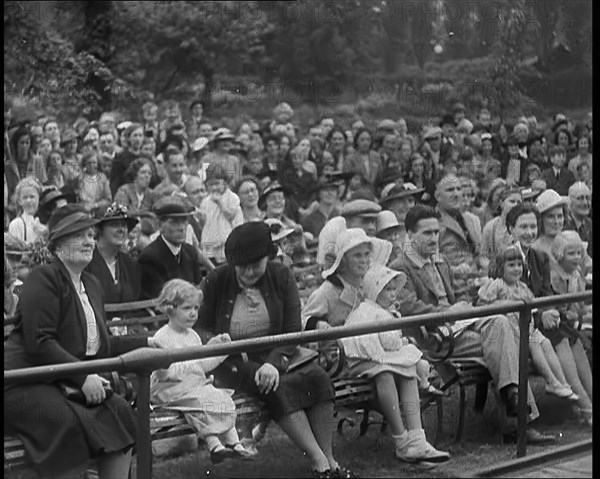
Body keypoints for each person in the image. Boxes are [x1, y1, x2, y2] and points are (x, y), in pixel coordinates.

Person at [4, 204, 161, 478]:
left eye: (91, 235)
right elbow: (40, 342)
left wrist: (150, 341)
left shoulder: (91, 283)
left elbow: (100, 346)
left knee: (120, 410)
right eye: (81, 235)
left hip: (64, 380)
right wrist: (83, 377)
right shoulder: (44, 277)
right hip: (26, 379)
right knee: (63, 421)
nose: (89, 241)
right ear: (59, 243)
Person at [197, 222, 356, 478]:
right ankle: (318, 463)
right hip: (232, 358)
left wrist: (274, 360)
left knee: (318, 378)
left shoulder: (281, 275)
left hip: (278, 351)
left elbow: (293, 327)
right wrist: (218, 343)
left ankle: (330, 458)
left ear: (268, 258)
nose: (248, 272)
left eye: (255, 265)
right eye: (242, 266)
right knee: (274, 385)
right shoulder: (217, 279)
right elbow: (198, 325)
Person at [392, 204, 554, 445]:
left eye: (436, 232)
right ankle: (518, 416)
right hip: (435, 337)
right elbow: (409, 308)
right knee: (506, 333)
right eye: (427, 233)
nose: (434, 238)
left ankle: (514, 403)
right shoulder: (400, 267)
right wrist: (447, 312)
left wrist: (468, 300)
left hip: (462, 325)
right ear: (409, 235)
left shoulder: (440, 260)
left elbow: (459, 293)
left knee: (502, 325)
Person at [506, 203, 593, 426]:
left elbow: (545, 293)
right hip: (517, 320)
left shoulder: (539, 258)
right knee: (560, 333)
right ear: (511, 229)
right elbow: (507, 295)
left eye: (533, 227)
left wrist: (548, 310)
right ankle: (584, 404)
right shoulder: (506, 257)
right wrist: (540, 314)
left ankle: (587, 400)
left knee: (568, 332)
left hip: (541, 315)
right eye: (523, 227)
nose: (529, 232)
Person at [150, 279, 255, 463]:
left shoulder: (193, 336)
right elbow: (163, 374)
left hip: (193, 386)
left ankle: (234, 443)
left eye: (196, 308)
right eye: (187, 308)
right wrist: (187, 362)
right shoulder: (162, 337)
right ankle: (215, 445)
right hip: (171, 390)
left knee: (220, 398)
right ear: (170, 309)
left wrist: (219, 352)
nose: (193, 313)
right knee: (200, 403)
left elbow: (201, 367)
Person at [476, 245, 578, 401]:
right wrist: (501, 306)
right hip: (513, 333)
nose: (516, 269)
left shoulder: (523, 287)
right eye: (511, 265)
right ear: (500, 267)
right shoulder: (497, 285)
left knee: (546, 344)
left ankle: (562, 383)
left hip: (527, 328)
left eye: (519, 265)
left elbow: (533, 308)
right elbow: (481, 306)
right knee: (535, 344)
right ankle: (551, 381)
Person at [548, 231, 593, 426]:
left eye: (578, 253)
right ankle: (585, 405)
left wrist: (585, 313)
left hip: (572, 324)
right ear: (559, 254)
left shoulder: (577, 273)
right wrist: (581, 316)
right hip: (559, 324)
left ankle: (588, 400)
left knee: (576, 341)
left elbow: (581, 305)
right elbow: (562, 310)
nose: (576, 258)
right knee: (572, 338)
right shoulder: (555, 275)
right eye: (571, 254)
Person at [138, 195, 205, 299]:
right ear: (160, 225)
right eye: (174, 222)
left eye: (184, 222)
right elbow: (159, 298)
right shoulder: (149, 257)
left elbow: (199, 287)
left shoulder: (190, 252)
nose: (182, 228)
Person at [85, 203, 141, 307]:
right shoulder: (85, 262)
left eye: (124, 225)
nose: (121, 230)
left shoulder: (130, 264)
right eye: (114, 224)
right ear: (99, 229)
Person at [198, 164, 244, 265]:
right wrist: (200, 218)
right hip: (210, 242)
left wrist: (220, 203)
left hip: (225, 242)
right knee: (211, 266)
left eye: (217, 183)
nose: (214, 187)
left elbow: (231, 216)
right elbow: (203, 223)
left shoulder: (232, 197)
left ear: (225, 183)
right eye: (210, 184)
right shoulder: (205, 201)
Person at [481, 185, 522, 262]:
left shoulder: (524, 226)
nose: (516, 205)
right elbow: (483, 257)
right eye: (512, 201)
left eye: (519, 202)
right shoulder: (490, 226)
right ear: (501, 203)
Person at [8, 177, 45, 245]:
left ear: (39, 198)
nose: (28, 200)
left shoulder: (45, 222)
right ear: (20, 201)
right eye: (25, 197)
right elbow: (14, 252)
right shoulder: (16, 225)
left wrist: (44, 233)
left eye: (32, 197)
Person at [564, 182, 592, 258]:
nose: (585, 203)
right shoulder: (564, 227)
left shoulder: (590, 224)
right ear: (570, 202)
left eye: (588, 198)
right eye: (580, 198)